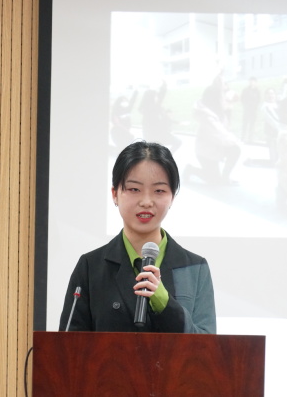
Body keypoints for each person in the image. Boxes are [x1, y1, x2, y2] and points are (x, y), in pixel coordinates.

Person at [59, 141, 216, 333]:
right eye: (134, 189)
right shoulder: (90, 266)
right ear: (115, 194)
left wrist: (164, 302)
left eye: (159, 191)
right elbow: (69, 345)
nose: (146, 202)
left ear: (172, 197)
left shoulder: (194, 267)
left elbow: (206, 345)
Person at [240, 77, 261, 144]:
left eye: (253, 81)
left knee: (252, 124)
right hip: (247, 109)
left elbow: (258, 99)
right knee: (245, 124)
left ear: (255, 82)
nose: (252, 83)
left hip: (253, 110)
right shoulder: (245, 90)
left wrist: (255, 106)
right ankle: (243, 137)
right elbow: (242, 98)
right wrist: (245, 105)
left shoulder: (257, 91)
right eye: (251, 81)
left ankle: (250, 138)